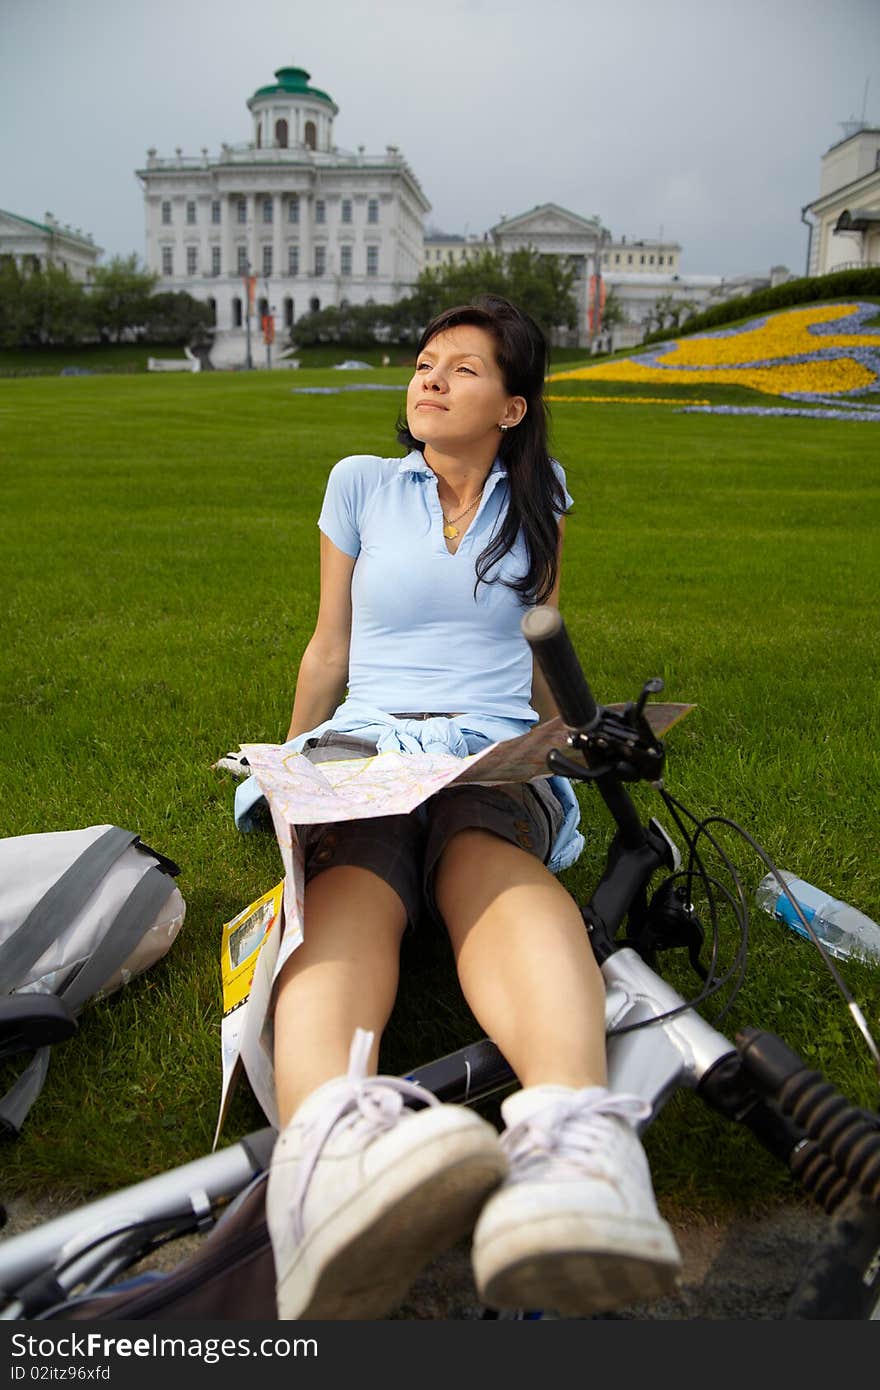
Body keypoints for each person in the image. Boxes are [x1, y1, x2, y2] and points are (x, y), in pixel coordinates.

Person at [258, 294, 682, 1320]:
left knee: (482, 852)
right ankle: (326, 1163)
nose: (429, 378)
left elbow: (539, 643)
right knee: (355, 870)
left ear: (514, 407)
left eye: (461, 367)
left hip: (487, 745)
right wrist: (279, 757)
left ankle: (577, 1147)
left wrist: (571, 741)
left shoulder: (542, 496)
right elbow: (330, 644)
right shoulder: (358, 482)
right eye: (422, 362)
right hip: (366, 738)